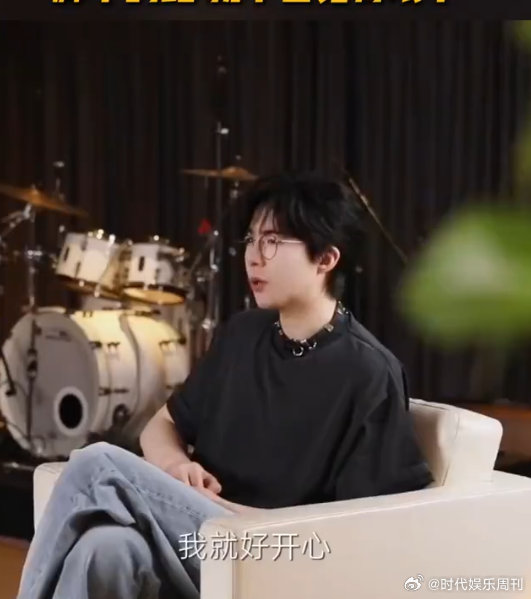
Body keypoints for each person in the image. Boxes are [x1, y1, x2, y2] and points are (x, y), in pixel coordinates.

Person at [17, 171, 433, 599]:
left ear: (325, 259)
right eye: (251, 240)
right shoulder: (242, 334)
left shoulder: (369, 371)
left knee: (96, 464)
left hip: (283, 550)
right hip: (207, 540)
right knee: (105, 548)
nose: (253, 256)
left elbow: (362, 529)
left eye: (272, 241)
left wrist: (229, 514)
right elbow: (161, 425)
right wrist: (176, 466)